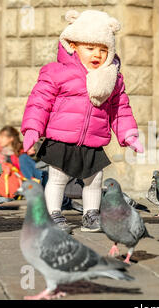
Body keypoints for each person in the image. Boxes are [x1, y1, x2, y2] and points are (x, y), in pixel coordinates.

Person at [20, 10, 144, 234]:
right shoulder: (57, 71)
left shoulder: (112, 78)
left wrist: (129, 134)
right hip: (61, 136)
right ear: (73, 46)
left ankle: (90, 215)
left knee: (95, 179)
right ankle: (53, 215)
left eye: (103, 49)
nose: (97, 54)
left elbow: (120, 109)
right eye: (90, 48)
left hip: (94, 140)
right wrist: (32, 128)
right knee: (57, 178)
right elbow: (39, 101)